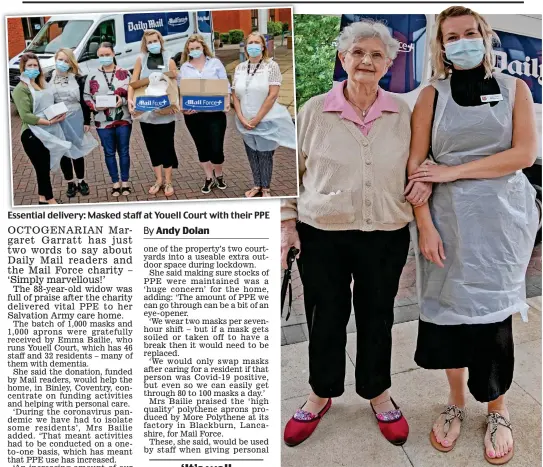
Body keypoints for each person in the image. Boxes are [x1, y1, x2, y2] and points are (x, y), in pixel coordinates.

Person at [280, 20, 431, 447]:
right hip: (323, 234)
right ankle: (320, 393)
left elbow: (422, 162)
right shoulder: (312, 110)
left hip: (384, 233)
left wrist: (424, 180)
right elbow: (290, 175)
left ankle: (378, 393)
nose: (366, 60)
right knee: (325, 316)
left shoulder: (403, 111)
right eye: (357, 53)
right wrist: (287, 225)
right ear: (342, 58)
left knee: (377, 315)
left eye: (376, 54)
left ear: (388, 62)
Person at [406, 6, 538, 464]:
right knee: (448, 316)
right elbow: (416, 168)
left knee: (492, 319)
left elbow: (521, 155)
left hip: (501, 224)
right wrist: (424, 224)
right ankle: (456, 402)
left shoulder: (514, 88)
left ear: (485, 36)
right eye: (451, 36)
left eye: (469, 32)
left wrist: (452, 171)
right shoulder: (431, 96)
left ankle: (497, 410)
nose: (461, 41)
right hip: (446, 225)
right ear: (441, 46)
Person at [232, 32, 296, 198]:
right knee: (252, 153)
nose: (253, 45)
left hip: (266, 119)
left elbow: (273, 94)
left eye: (256, 42)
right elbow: (235, 95)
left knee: (265, 154)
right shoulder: (239, 68)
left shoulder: (271, 66)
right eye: (250, 42)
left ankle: (265, 187)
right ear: (246, 47)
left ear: (262, 46)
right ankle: (256, 184)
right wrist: (241, 116)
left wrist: (257, 118)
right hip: (245, 120)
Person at [12, 52, 71, 204]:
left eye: (35, 65)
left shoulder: (40, 84)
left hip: (46, 131)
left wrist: (58, 112)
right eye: (29, 66)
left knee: (43, 168)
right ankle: (51, 201)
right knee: (42, 168)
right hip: (32, 134)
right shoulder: (20, 89)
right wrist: (49, 122)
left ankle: (42, 199)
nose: (33, 68)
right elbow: (26, 116)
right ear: (23, 68)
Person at [128, 29, 178, 197]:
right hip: (146, 114)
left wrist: (173, 104)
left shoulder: (168, 59)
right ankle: (158, 180)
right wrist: (130, 100)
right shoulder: (141, 59)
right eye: (149, 42)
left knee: (167, 147)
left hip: (165, 113)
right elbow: (133, 83)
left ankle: (168, 181)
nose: (152, 44)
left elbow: (174, 85)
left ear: (160, 41)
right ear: (145, 44)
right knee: (152, 148)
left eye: (155, 41)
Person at [179, 34, 230, 194]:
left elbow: (225, 85)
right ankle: (209, 177)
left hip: (215, 113)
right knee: (202, 147)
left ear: (203, 48)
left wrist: (227, 102)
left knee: (216, 148)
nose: (194, 50)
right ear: (188, 50)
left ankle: (219, 174)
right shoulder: (184, 67)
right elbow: (182, 91)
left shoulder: (215, 63)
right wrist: (183, 107)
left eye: (197, 48)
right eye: (191, 48)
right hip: (194, 115)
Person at [84, 42, 132, 197]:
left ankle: (125, 182)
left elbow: (133, 94)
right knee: (109, 152)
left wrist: (123, 101)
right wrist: (93, 106)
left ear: (113, 54)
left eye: (107, 54)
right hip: (102, 120)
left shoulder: (125, 73)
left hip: (123, 118)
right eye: (101, 55)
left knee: (124, 151)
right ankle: (115, 183)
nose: (104, 58)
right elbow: (86, 96)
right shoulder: (91, 75)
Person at [51, 48, 98, 198]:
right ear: (55, 60)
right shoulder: (47, 78)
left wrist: (86, 120)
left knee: (77, 149)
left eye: (66, 60)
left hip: (76, 116)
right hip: (58, 119)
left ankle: (81, 181)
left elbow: (84, 101)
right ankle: (70, 182)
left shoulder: (78, 78)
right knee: (64, 151)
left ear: (71, 62)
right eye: (60, 60)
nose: (62, 63)